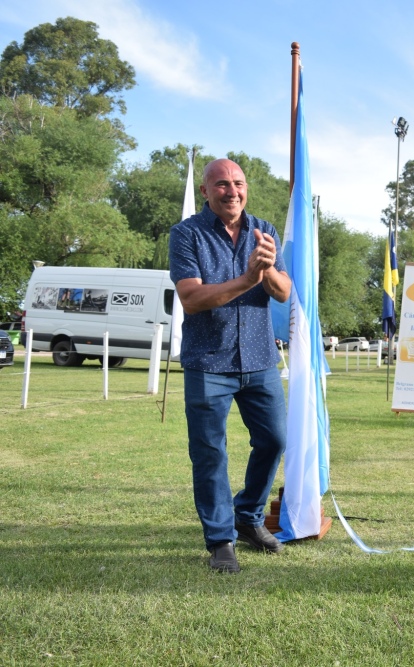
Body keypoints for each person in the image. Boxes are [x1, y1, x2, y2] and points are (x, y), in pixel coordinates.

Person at [169, 158, 292, 573]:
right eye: (221, 184)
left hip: (259, 359)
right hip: (209, 362)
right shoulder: (186, 235)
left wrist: (268, 269)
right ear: (205, 191)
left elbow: (282, 292)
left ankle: (248, 517)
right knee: (209, 453)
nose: (232, 191)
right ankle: (221, 539)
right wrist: (246, 278)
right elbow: (192, 298)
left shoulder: (264, 230)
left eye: (238, 183)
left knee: (275, 440)